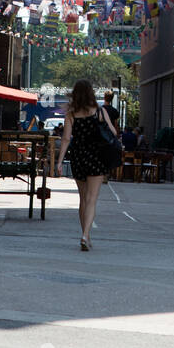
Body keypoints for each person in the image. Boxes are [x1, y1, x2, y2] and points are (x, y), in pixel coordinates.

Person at [56, 79, 117, 250]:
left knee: (82, 199)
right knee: (92, 199)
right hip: (96, 157)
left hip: (79, 157)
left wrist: (60, 161)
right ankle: (85, 235)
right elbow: (112, 132)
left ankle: (85, 234)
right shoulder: (99, 111)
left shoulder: (71, 115)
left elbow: (66, 139)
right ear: (91, 93)